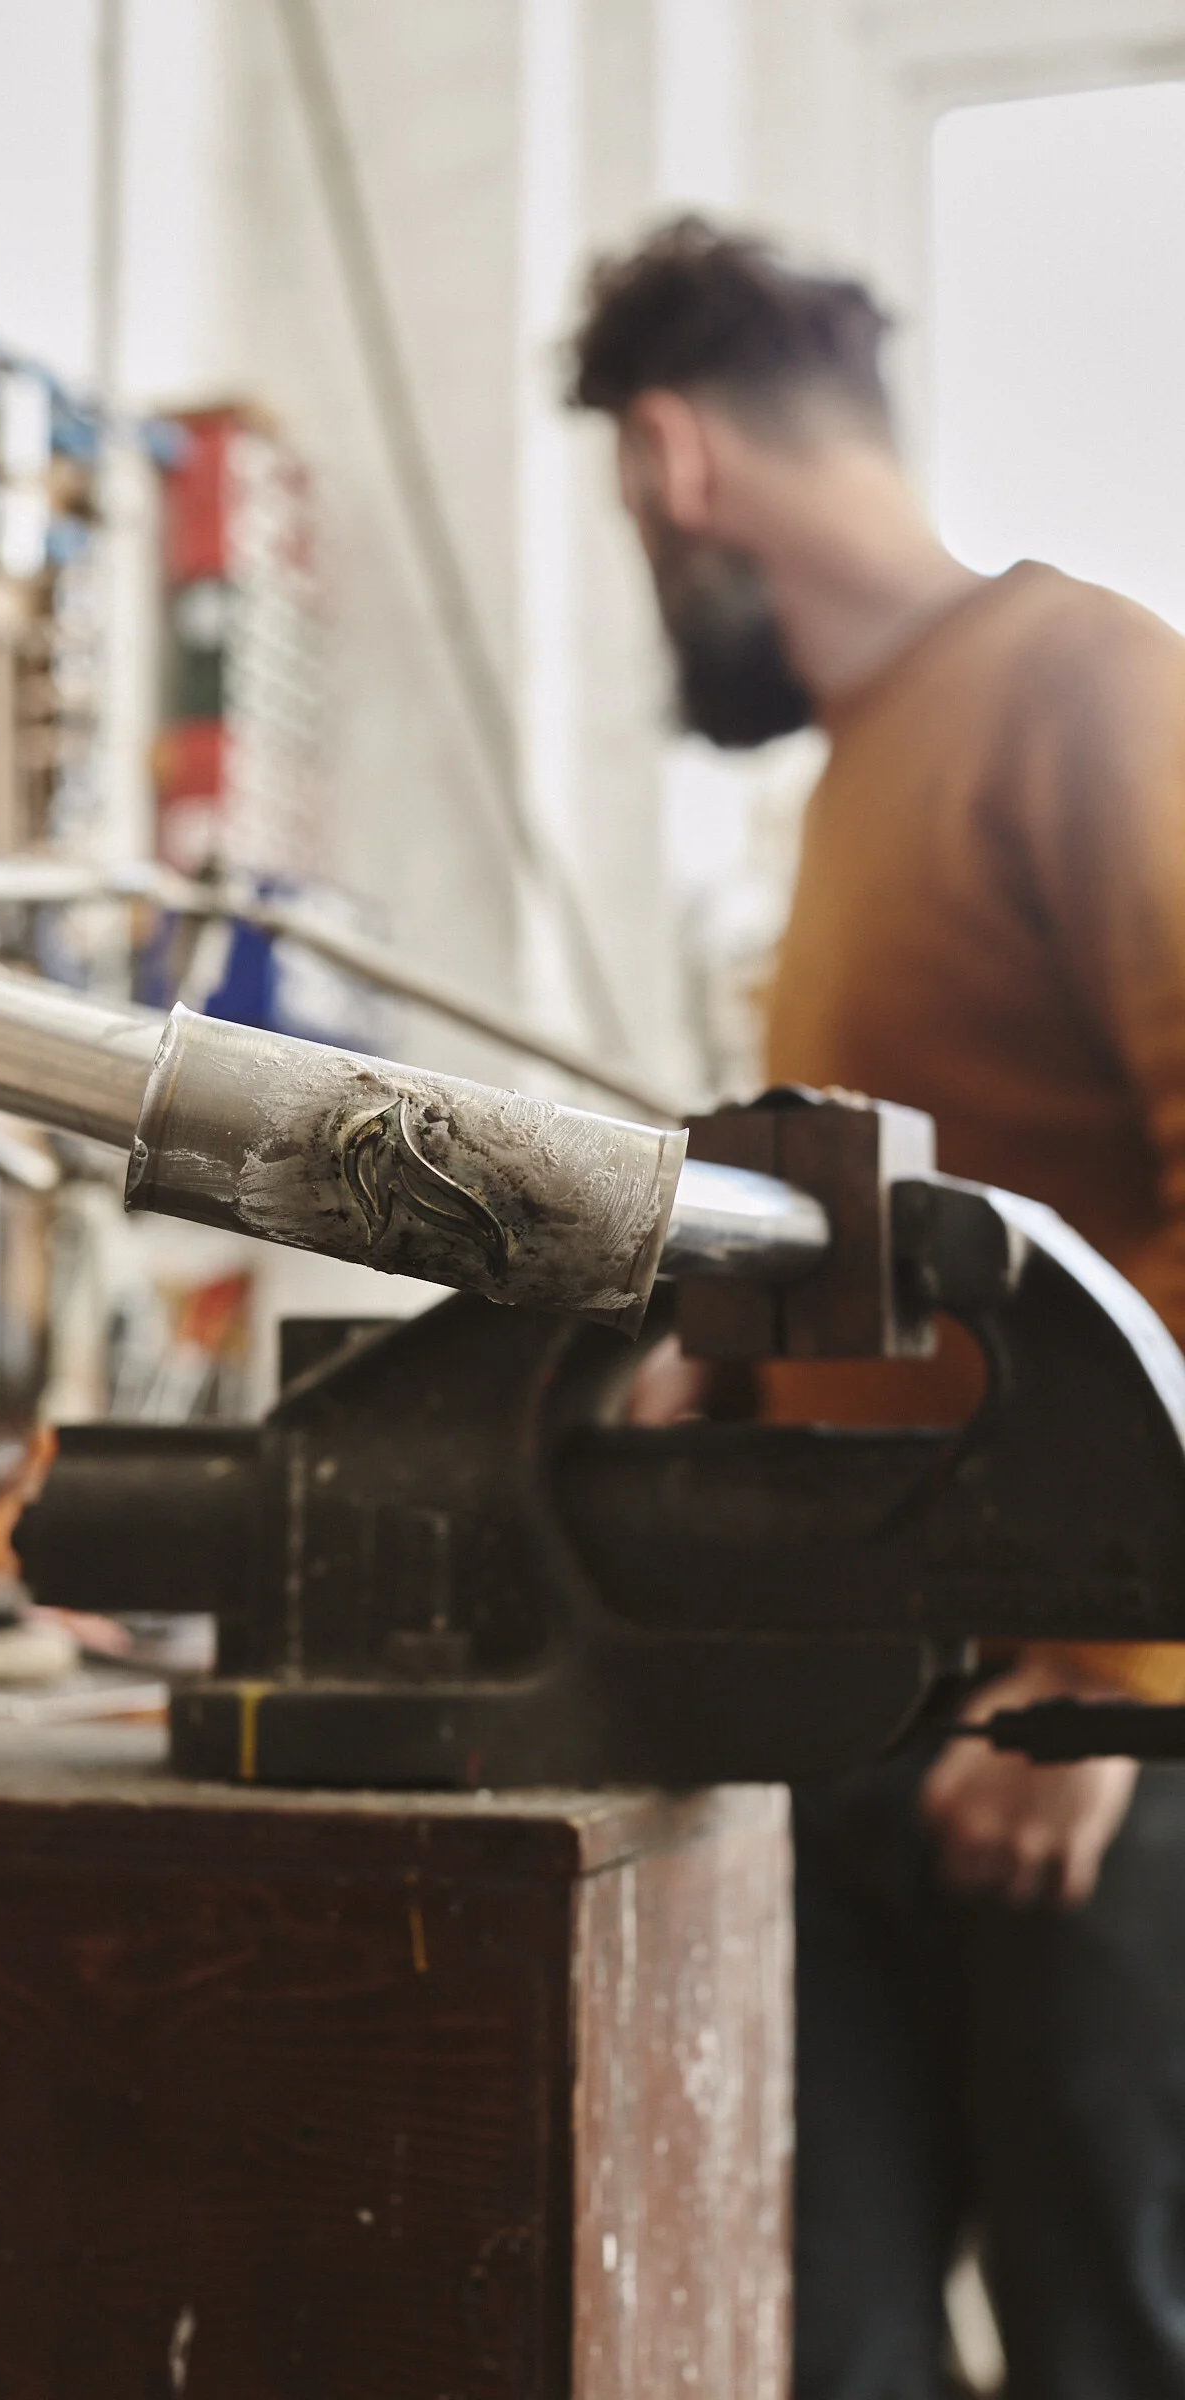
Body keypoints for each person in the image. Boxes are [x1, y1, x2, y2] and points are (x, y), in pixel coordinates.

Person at [569, 215, 1185, 2399]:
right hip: (851, 1705)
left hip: (1084, 1724)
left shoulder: (1085, 688)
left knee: (1113, 2337)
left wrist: (1105, 1677)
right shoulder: (851, 786)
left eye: (630, 521)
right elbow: (893, 1225)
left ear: (672, 461)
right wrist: (708, 1353)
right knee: (813, 2340)